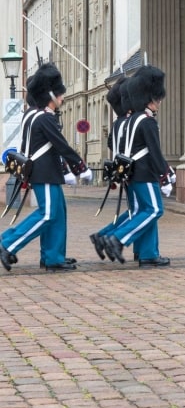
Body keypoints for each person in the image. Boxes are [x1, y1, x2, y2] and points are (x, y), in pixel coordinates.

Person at [1, 63, 92, 272]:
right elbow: (62, 146)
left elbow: (48, 147)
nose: (62, 98)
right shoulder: (44, 118)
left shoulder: (33, 115)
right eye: (59, 94)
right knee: (48, 213)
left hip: (46, 172)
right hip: (45, 173)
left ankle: (53, 257)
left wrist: (66, 171)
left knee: (58, 213)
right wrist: (79, 167)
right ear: (51, 94)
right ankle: (7, 243)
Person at [102, 65, 173, 267]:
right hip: (145, 173)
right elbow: (155, 151)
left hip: (133, 173)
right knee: (153, 211)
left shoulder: (131, 119)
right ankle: (118, 239)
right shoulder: (146, 121)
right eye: (157, 98)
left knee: (143, 211)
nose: (159, 102)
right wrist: (164, 175)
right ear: (150, 97)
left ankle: (148, 253)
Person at [89, 78, 136, 261]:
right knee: (140, 211)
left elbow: (111, 143)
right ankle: (109, 237)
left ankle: (102, 236)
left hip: (123, 169)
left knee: (134, 211)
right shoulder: (129, 121)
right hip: (132, 170)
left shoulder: (118, 123)